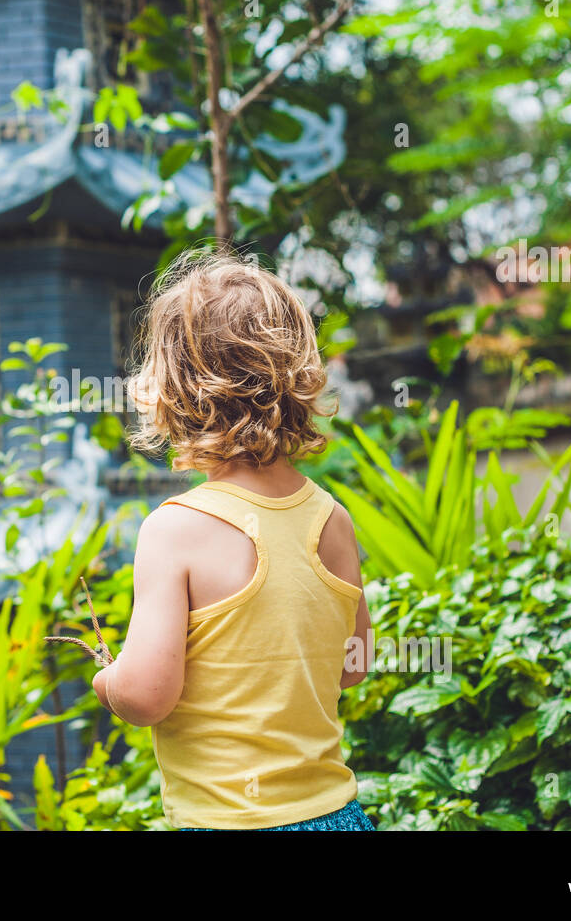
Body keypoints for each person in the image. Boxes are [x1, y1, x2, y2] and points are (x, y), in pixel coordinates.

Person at [91, 251, 375, 831]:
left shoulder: (174, 529)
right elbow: (355, 663)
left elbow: (146, 696)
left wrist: (109, 679)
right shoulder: (332, 519)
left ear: (173, 390)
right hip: (335, 817)